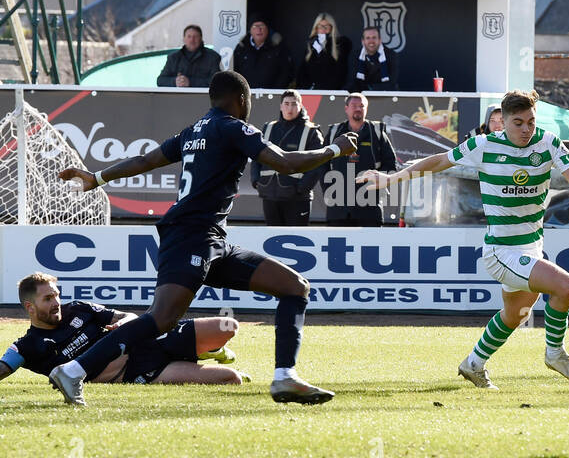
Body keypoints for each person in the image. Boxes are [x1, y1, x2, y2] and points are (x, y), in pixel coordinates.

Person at [54, 70, 359, 407]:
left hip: (211, 240)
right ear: (242, 100)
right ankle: (74, 369)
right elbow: (285, 163)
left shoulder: (193, 131)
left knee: (294, 286)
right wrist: (335, 149)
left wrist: (96, 177)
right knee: (161, 318)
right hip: (191, 234)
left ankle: (285, 376)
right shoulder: (233, 127)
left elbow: (145, 160)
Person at [360, 89, 569, 389]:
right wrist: (391, 178)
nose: (527, 129)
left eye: (531, 121)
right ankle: (555, 353)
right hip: (501, 252)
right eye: (518, 123)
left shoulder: (549, 142)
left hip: (531, 248)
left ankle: (473, 364)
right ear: (502, 121)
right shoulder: (484, 145)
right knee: (566, 286)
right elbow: (438, 161)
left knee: (514, 315)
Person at [0, 272, 247, 387]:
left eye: (57, 295)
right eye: (48, 299)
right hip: (139, 372)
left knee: (227, 325)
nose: (57, 302)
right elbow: (1, 367)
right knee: (231, 379)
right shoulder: (29, 346)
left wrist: (123, 323)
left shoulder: (79, 308)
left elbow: (128, 314)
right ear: (29, 307)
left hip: (149, 341)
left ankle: (213, 349)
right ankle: (208, 355)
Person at [321, 92, 398, 226]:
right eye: (354, 105)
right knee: (338, 246)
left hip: (369, 208)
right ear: (346, 108)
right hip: (338, 209)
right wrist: (330, 190)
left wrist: (377, 187)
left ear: (366, 109)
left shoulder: (377, 132)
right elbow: (321, 164)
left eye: (361, 106)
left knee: (371, 246)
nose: (358, 109)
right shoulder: (335, 132)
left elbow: (390, 164)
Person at [250, 90, 325, 226]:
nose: (290, 108)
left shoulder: (311, 131)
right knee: (272, 240)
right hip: (269, 194)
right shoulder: (268, 128)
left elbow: (318, 164)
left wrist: (301, 189)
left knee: (297, 237)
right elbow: (256, 157)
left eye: (294, 104)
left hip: (297, 199)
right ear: (280, 106)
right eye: (286, 104)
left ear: (301, 106)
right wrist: (256, 181)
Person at [233, 16, 294, 89]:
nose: (259, 29)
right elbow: (235, 73)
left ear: (267, 29)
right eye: (255, 26)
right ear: (250, 30)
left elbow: (285, 73)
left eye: (262, 25)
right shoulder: (241, 48)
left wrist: (274, 91)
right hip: (247, 96)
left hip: (273, 96)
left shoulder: (278, 47)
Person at [295, 13, 351, 90]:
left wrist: (323, 49)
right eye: (320, 26)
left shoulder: (340, 44)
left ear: (332, 28)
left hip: (331, 91)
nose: (323, 29)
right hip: (312, 91)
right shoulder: (311, 45)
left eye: (326, 26)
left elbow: (340, 71)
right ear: (316, 28)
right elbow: (303, 71)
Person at [156, 25, 222, 89]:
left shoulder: (213, 57)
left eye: (195, 36)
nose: (192, 40)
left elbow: (217, 82)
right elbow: (160, 80)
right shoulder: (173, 57)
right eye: (189, 36)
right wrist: (175, 81)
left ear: (201, 39)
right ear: (184, 39)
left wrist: (190, 82)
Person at [347, 26, 400, 93]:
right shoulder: (355, 55)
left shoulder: (391, 55)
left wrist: (371, 89)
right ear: (363, 41)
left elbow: (392, 82)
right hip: (361, 96)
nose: (371, 41)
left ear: (380, 40)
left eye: (374, 38)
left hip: (385, 95)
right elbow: (353, 81)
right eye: (368, 38)